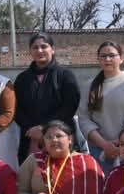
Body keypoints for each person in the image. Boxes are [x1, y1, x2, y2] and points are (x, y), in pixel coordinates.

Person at [76, 41, 124, 175]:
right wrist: (105, 145)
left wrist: (122, 143)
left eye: (112, 55)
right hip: (99, 152)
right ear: (98, 59)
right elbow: (84, 119)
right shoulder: (88, 86)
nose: (107, 59)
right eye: (103, 56)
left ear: (121, 58)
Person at [13, 33, 82, 165]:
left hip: (59, 135)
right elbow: (16, 108)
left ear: (52, 49)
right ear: (30, 51)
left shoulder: (65, 76)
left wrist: (44, 128)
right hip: (31, 137)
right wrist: (31, 129)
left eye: (44, 46)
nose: (39, 51)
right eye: (35, 47)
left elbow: (70, 106)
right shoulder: (22, 79)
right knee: (33, 174)